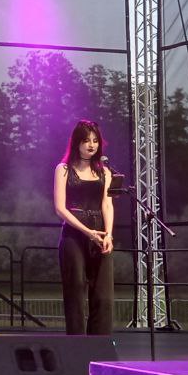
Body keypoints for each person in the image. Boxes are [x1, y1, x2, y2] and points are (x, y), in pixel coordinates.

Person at [53, 120, 115, 336]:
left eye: (95, 141)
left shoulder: (105, 172)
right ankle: (77, 344)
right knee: (76, 291)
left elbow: (107, 204)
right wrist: (88, 232)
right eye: (86, 141)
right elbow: (60, 208)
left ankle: (100, 343)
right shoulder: (63, 169)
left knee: (104, 295)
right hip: (74, 234)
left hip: (101, 232)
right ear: (77, 142)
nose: (91, 145)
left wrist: (109, 234)